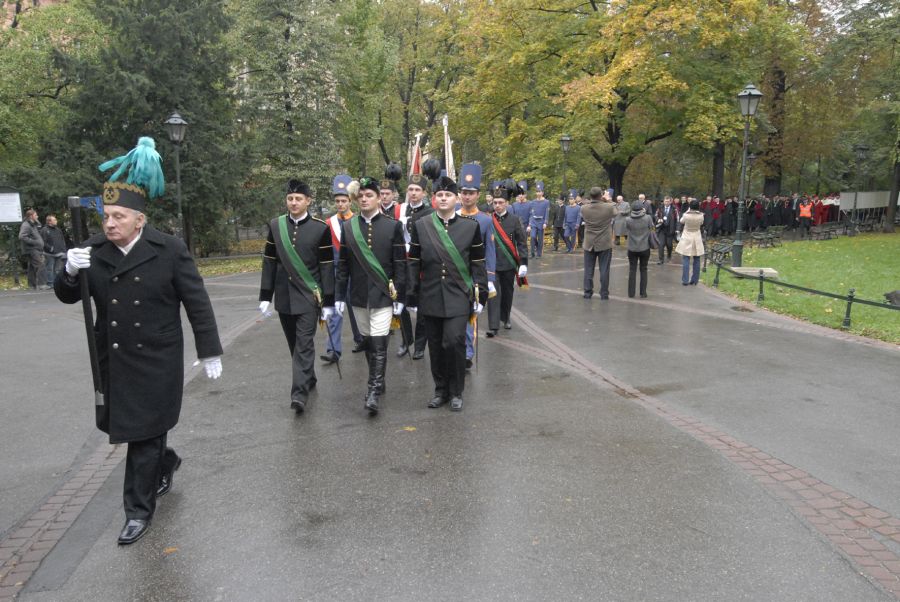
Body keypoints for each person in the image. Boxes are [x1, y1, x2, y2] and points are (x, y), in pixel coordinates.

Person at [56, 137, 222, 545]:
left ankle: (137, 511)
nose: (109, 224)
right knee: (131, 428)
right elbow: (68, 295)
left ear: (139, 220)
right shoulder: (92, 251)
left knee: (144, 432)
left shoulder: (169, 250)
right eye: (105, 216)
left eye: (118, 216)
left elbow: (196, 302)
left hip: (157, 357)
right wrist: (69, 272)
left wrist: (210, 349)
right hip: (113, 358)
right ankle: (165, 461)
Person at [407, 174, 488, 411]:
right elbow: (413, 262)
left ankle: (456, 390)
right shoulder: (421, 226)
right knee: (435, 344)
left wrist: (480, 293)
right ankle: (440, 390)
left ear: (456, 199)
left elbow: (477, 262)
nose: (443, 198)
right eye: (439, 195)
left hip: (458, 294)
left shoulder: (469, 227)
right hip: (430, 294)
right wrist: (411, 294)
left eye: (448, 195)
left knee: (453, 341)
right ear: (434, 198)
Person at [259, 178, 335, 414]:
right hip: (284, 296)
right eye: (290, 199)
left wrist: (328, 301)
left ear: (308, 201)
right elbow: (269, 262)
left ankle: (298, 394)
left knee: (303, 344)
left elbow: (326, 266)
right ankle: (309, 377)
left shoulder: (320, 228)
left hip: (308, 297)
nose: (293, 203)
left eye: (298, 199)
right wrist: (264, 296)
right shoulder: (275, 225)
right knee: (294, 344)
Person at [335, 176, 407, 415]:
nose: (364, 199)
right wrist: (337, 296)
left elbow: (400, 264)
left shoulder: (393, 226)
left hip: (383, 295)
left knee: (378, 343)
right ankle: (379, 379)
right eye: (361, 196)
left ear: (379, 198)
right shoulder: (349, 227)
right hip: (358, 295)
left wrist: (400, 297)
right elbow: (343, 265)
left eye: (369, 195)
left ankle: (373, 390)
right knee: (367, 341)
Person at [457, 163, 497, 368]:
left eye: (471, 193)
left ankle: (466, 353)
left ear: (478, 195)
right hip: (454, 272)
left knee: (469, 315)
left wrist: (489, 279)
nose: (467, 196)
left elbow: (490, 250)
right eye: (464, 192)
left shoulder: (485, 220)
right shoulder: (452, 215)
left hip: (473, 274)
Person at [321, 175, 364, 364]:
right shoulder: (328, 224)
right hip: (336, 274)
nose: (340, 204)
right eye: (337, 201)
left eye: (344, 201)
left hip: (354, 273)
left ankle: (361, 339)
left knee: (356, 309)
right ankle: (333, 350)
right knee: (336, 312)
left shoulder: (357, 221)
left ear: (350, 202)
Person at [396, 172, 433, 359]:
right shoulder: (400, 211)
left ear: (424, 193)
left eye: (417, 190)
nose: (413, 193)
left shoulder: (430, 213)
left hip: (421, 263)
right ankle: (406, 338)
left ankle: (420, 344)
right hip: (402, 263)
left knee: (422, 305)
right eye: (411, 189)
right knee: (401, 301)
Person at [487, 181, 528, 335]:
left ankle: (506, 317)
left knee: (507, 292)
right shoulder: (488, 219)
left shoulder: (515, 220)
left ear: (507, 203)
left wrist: (523, 263)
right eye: (495, 202)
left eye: (500, 203)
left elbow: (521, 242)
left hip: (509, 263)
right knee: (493, 293)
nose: (497, 205)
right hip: (492, 264)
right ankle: (493, 325)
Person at [580, 187, 616, 300]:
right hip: (604, 243)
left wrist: (601, 199)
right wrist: (608, 199)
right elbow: (616, 212)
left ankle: (587, 292)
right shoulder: (609, 207)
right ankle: (604, 293)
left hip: (589, 242)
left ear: (590, 196)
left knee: (588, 269)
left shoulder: (584, 208)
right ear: (601, 195)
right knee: (604, 269)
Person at [625, 200, 652, 298]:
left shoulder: (628, 219)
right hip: (645, 247)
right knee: (643, 269)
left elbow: (627, 229)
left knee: (632, 270)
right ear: (642, 208)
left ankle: (631, 293)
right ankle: (643, 293)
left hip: (632, 248)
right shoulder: (648, 218)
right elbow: (651, 227)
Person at [676, 199, 705, 285]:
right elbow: (701, 223)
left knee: (686, 258)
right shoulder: (701, 216)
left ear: (690, 206)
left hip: (687, 237)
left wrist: (688, 211)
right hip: (697, 236)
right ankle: (695, 280)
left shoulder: (686, 215)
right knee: (697, 259)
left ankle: (685, 280)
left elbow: (681, 221)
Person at [19, 208, 46, 289]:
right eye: (35, 215)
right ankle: (41, 284)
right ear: (31, 216)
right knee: (40, 265)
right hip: (32, 249)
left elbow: (38, 230)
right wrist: (34, 242)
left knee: (32, 267)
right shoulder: (26, 225)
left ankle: (31, 285)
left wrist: (37, 221)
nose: (37, 216)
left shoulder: (33, 225)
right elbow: (22, 236)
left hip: (35, 249)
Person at [42, 214, 68, 287]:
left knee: (58, 269)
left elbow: (62, 240)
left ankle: (57, 283)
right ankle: (50, 283)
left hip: (59, 252)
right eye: (54, 220)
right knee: (49, 268)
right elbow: (43, 241)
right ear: (49, 222)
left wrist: (63, 248)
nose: (56, 221)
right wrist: (50, 248)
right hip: (49, 253)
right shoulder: (45, 230)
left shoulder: (58, 230)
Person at [528, 181, 550, 258]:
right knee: (533, 237)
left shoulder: (546, 202)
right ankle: (532, 253)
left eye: (539, 191)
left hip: (541, 222)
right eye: (537, 191)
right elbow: (531, 213)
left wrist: (545, 222)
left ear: (542, 192)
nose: (538, 193)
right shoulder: (532, 202)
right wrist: (529, 224)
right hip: (534, 222)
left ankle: (539, 253)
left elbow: (547, 213)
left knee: (540, 239)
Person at [654, 196, 679, 264]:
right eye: (665, 201)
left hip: (670, 230)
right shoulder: (660, 208)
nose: (666, 202)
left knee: (669, 245)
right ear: (664, 201)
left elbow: (677, 219)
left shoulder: (674, 209)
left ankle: (669, 254)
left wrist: (677, 229)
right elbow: (655, 215)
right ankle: (661, 260)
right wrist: (658, 219)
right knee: (661, 245)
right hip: (662, 229)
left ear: (671, 202)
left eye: (668, 201)